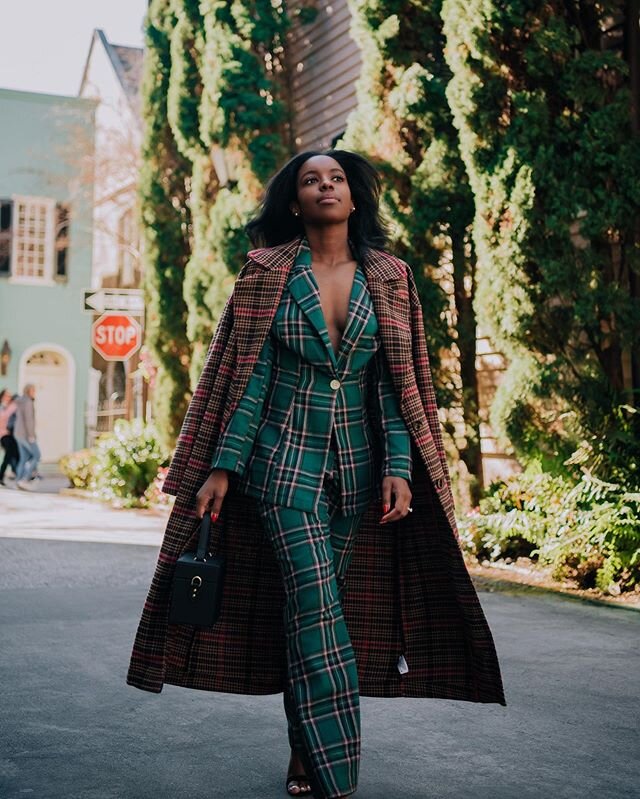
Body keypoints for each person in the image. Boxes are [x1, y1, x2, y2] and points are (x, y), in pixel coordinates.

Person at [127, 150, 506, 799]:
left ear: (353, 198)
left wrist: (399, 468)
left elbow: (395, 382)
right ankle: (337, 768)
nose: (325, 185)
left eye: (336, 178)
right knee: (314, 603)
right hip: (280, 465)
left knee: (313, 613)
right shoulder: (266, 272)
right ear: (295, 201)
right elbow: (249, 379)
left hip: (355, 475)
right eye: (311, 179)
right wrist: (223, 465)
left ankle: (305, 754)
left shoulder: (389, 276)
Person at [14, 383, 40, 491]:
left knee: (24, 458)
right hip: (25, 434)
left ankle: (18, 482)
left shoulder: (20, 401)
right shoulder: (28, 402)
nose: (34, 393)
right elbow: (28, 420)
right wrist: (31, 436)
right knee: (36, 455)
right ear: (28, 391)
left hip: (18, 433)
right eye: (33, 391)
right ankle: (24, 479)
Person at [0, 389, 19, 486]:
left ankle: (13, 472)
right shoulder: (2, 408)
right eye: (7, 395)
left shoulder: (9, 407)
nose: (9, 397)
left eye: (10, 396)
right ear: (2, 396)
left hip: (10, 435)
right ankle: (14, 472)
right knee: (9, 456)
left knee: (11, 455)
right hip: (3, 436)